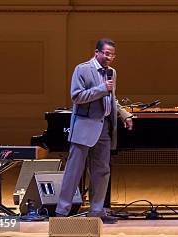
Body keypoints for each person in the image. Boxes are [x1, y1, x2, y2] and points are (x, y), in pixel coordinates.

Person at [55, 38, 133, 223]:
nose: (109, 58)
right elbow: (77, 96)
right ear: (96, 52)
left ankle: (97, 211)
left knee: (102, 171)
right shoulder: (82, 69)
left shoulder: (111, 73)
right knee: (74, 171)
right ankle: (62, 211)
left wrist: (124, 114)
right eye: (106, 53)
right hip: (84, 127)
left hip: (104, 128)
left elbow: (112, 99)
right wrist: (100, 89)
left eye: (112, 55)